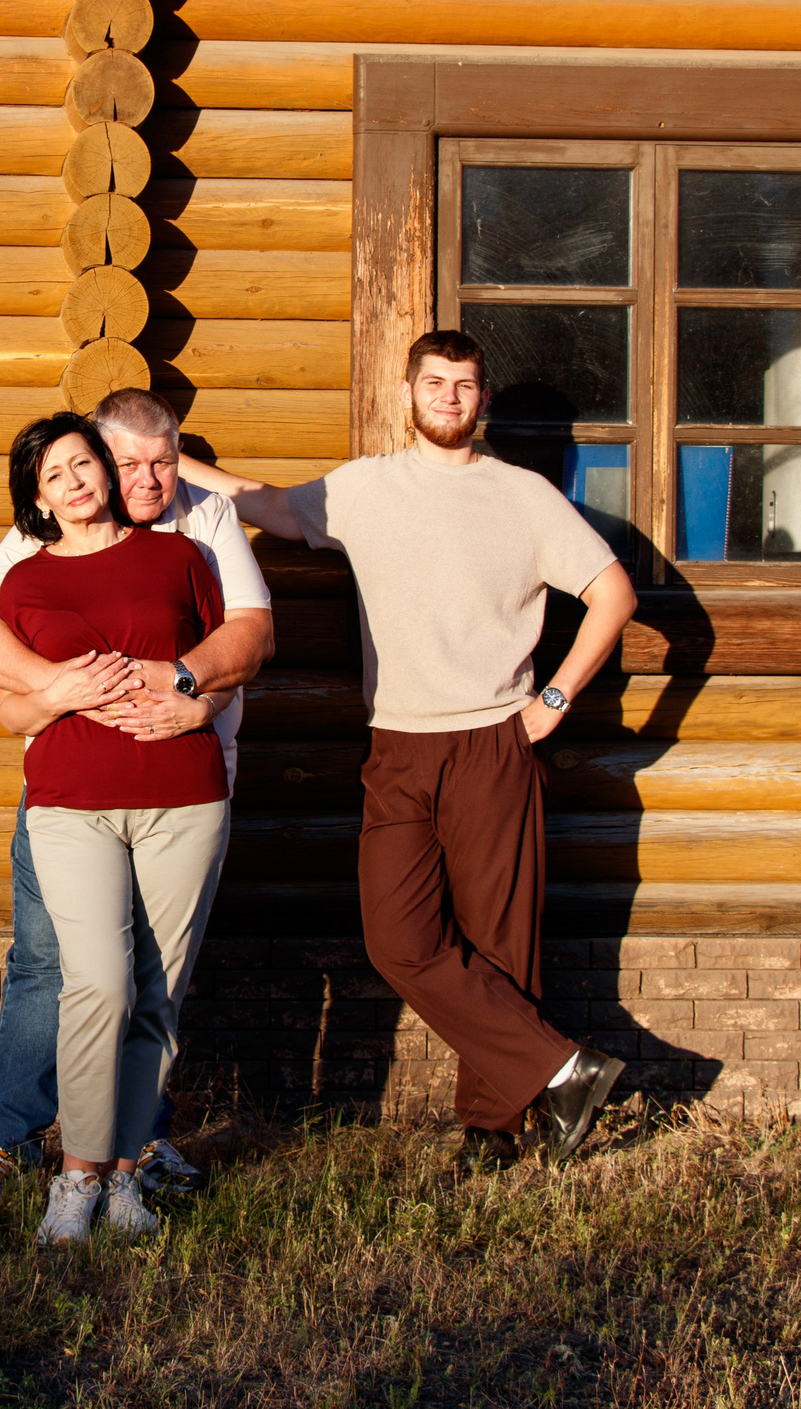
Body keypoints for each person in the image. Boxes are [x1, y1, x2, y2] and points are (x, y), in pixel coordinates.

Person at [181, 331, 640, 1170]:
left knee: (499, 936)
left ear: (482, 400)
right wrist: (168, 458)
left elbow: (613, 592)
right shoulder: (365, 488)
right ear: (408, 393)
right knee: (398, 938)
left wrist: (553, 701)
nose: (451, 398)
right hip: (397, 742)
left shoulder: (524, 496)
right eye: (436, 383)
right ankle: (563, 1068)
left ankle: (494, 1129)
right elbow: (274, 505)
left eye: (465, 385)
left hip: (494, 738)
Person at [0, 388, 273, 1206]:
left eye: (163, 460)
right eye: (128, 462)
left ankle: (132, 1147)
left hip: (180, 779)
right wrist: (58, 687)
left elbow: (252, 632)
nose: (146, 477)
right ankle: (10, 1136)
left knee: (153, 976)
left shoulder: (201, 525)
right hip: (70, 785)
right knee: (54, 962)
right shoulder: (46, 528)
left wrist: (190, 685)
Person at [0, 412, 234, 1245]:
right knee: (98, 980)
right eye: (54, 474)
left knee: (161, 991)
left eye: (83, 463)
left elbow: (224, 673)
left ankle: (126, 1171)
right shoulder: (23, 584)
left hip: (183, 797)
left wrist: (191, 698)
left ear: (106, 469)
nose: (76, 480)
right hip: (69, 802)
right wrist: (56, 693)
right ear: (39, 499)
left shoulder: (178, 556)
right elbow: (9, 706)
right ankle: (77, 1171)